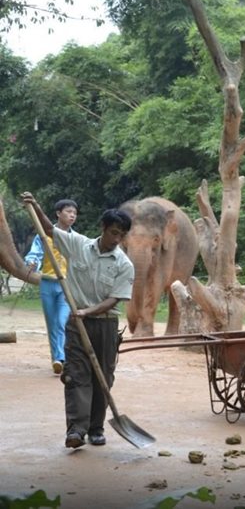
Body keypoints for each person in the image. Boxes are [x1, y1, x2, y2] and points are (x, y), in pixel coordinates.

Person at [22, 192, 134, 449]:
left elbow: (115, 299)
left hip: (104, 324)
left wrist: (88, 311)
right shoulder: (78, 244)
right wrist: (35, 205)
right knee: (76, 376)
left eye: (121, 235)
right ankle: (76, 430)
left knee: (102, 377)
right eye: (113, 232)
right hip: (77, 324)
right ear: (103, 229)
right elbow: (50, 230)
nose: (116, 239)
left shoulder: (124, 264)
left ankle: (96, 429)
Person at [24, 199, 79, 375]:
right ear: (58, 213)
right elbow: (35, 253)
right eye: (69, 212)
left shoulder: (75, 238)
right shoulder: (44, 235)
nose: (72, 215)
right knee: (52, 323)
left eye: (74, 213)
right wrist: (32, 262)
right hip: (47, 283)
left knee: (61, 321)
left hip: (65, 285)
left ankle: (61, 357)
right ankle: (57, 358)